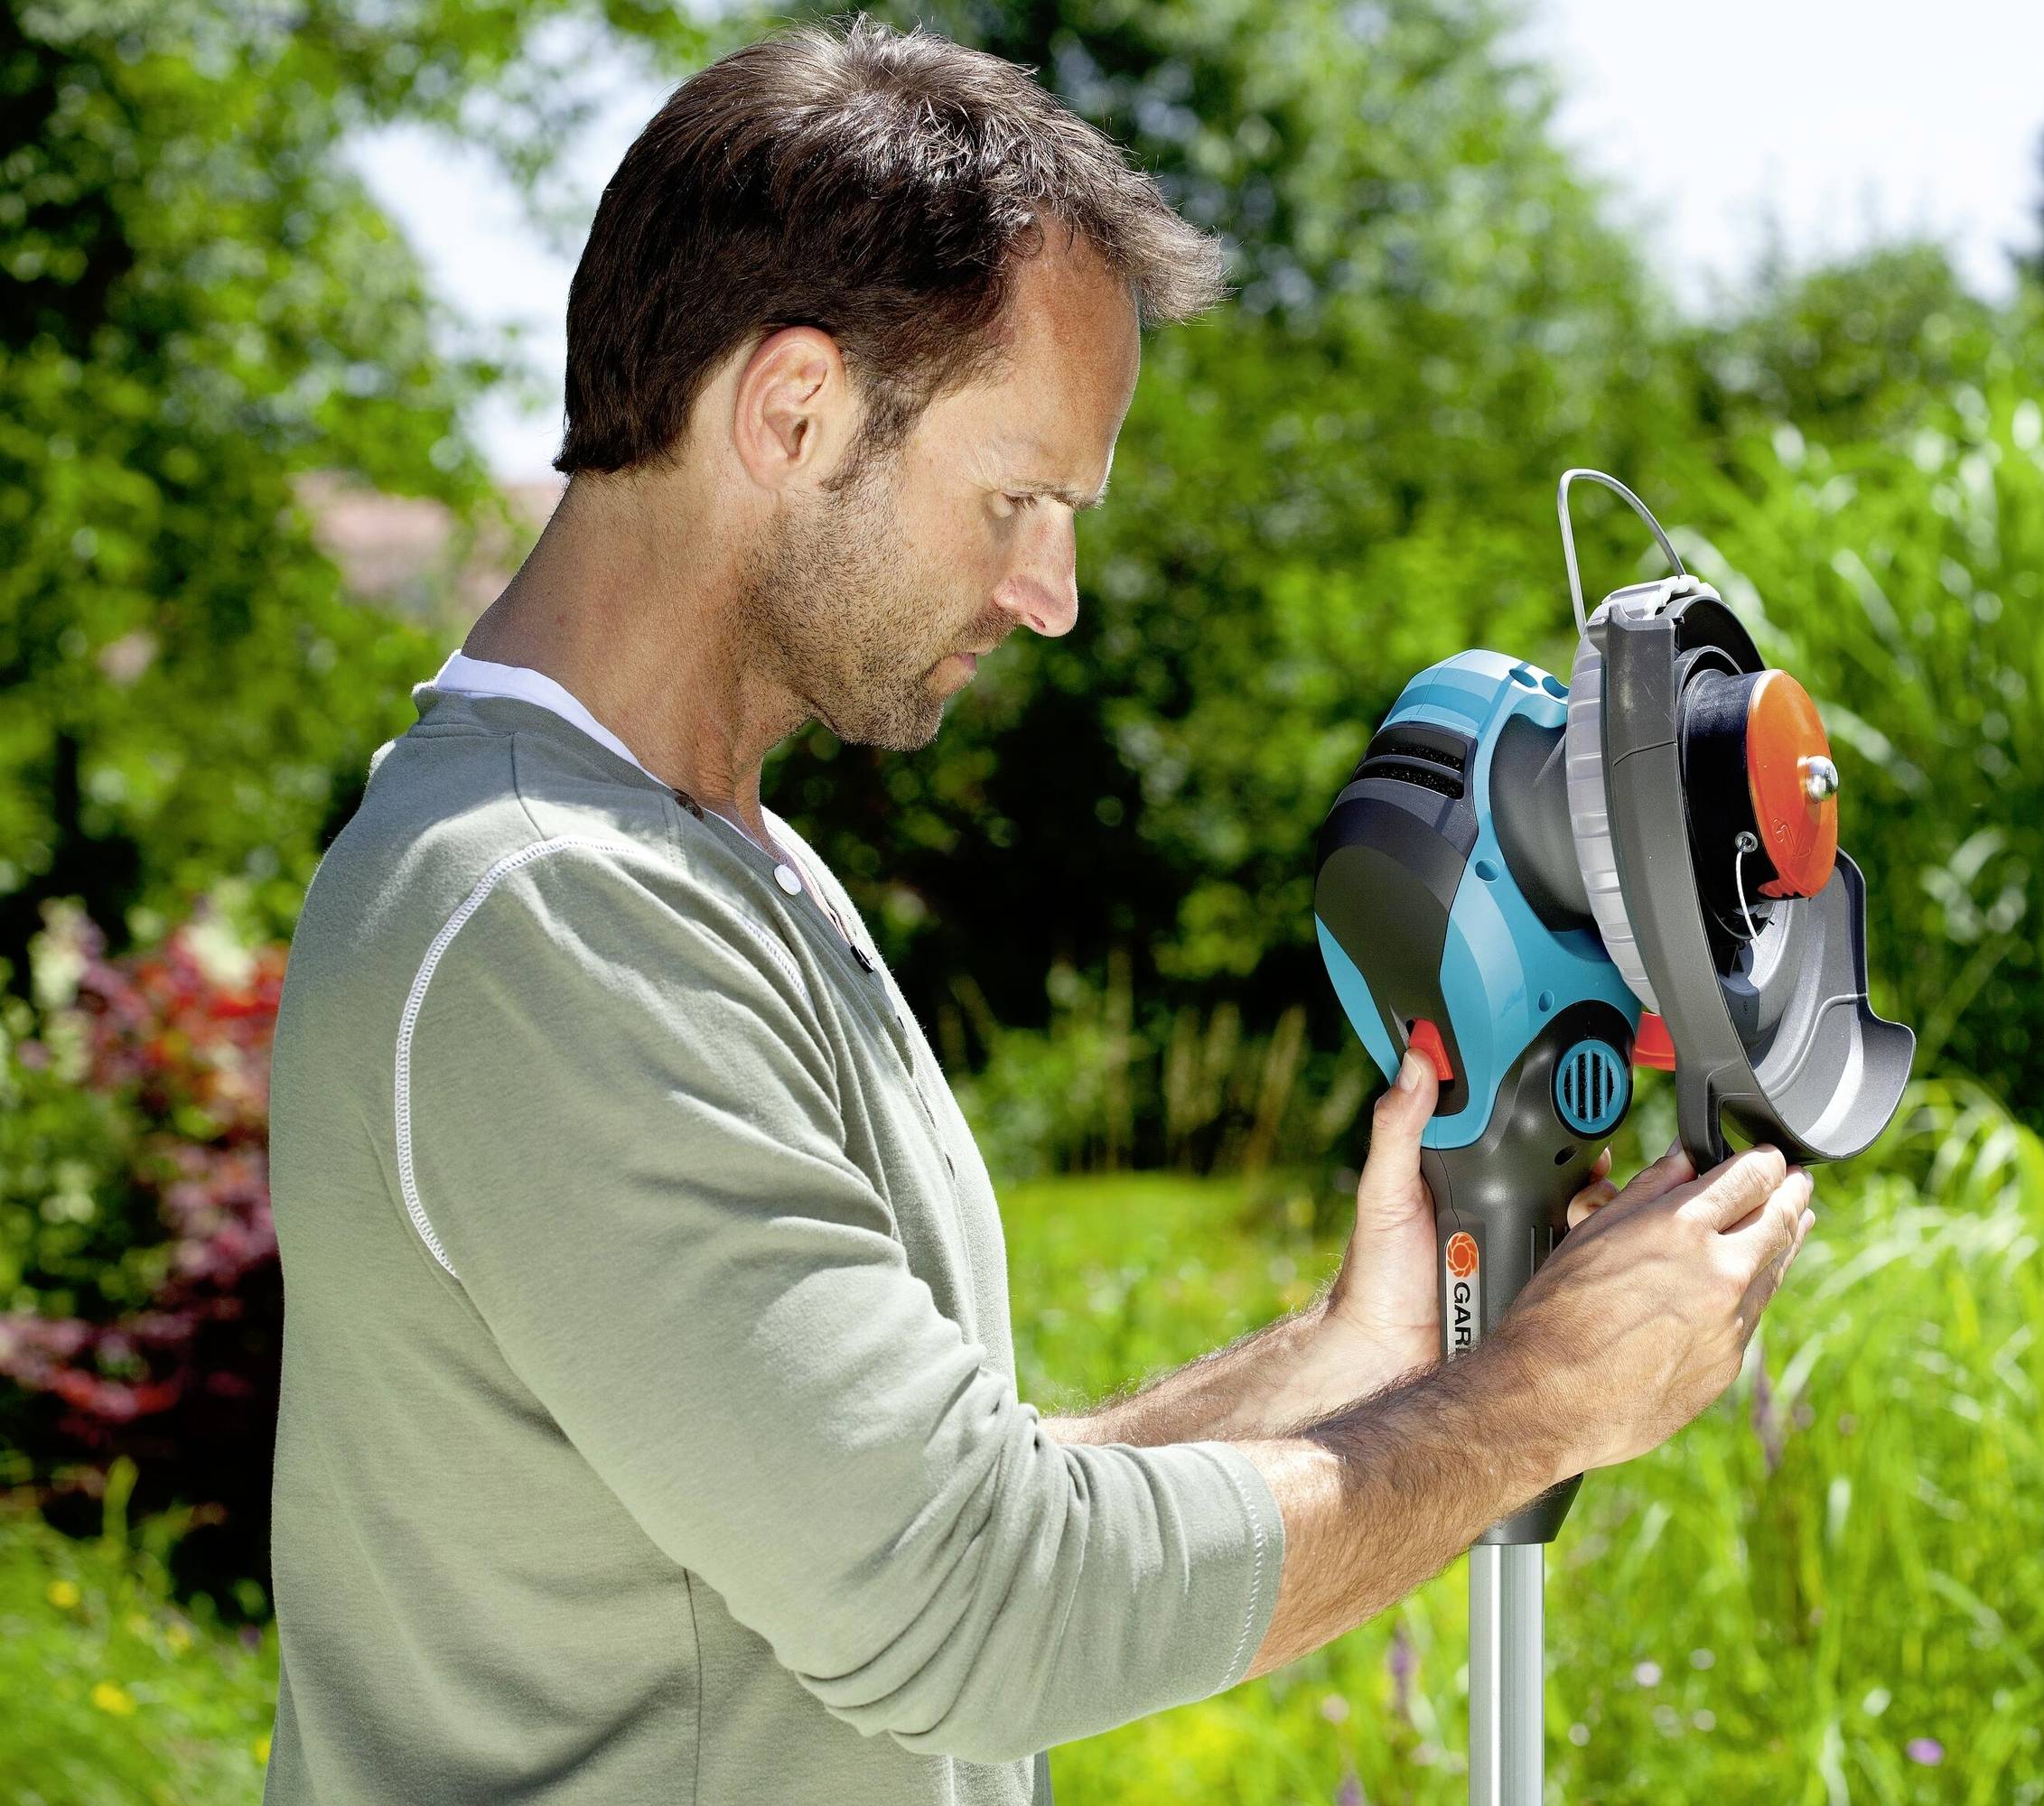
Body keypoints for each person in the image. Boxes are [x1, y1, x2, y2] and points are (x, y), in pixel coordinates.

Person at [262, 16, 1816, 1805]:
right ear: (792, 409)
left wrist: (1361, 1361)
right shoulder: (540, 917)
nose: (1053, 592)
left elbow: (922, 1504)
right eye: (1018, 496)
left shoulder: (716, 864)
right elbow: (975, 1608)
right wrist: (1539, 1398)